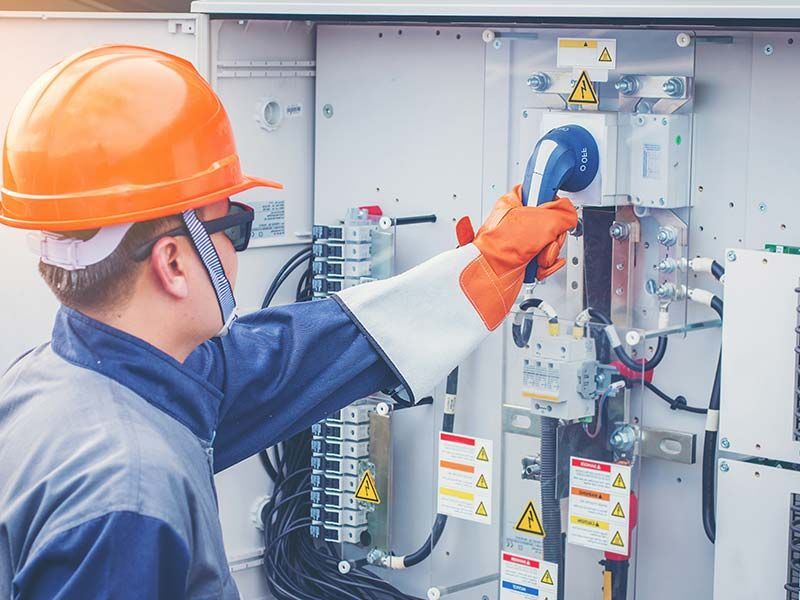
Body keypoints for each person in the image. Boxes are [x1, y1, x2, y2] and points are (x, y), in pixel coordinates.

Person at [0, 45, 576, 599]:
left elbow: (292, 357)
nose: (236, 254)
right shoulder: (127, 496)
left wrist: (487, 266)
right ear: (173, 262)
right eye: (234, 226)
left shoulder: (61, 381)